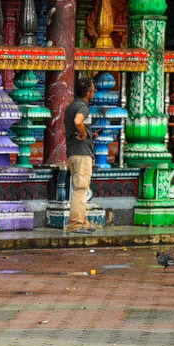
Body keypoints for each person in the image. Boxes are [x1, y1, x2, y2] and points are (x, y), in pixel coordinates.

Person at [65, 75, 95, 235]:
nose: (94, 93)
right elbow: (78, 122)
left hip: (73, 152)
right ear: (88, 93)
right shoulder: (83, 107)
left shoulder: (71, 106)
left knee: (80, 187)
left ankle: (83, 222)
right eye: (93, 90)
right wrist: (83, 134)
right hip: (82, 153)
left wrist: (89, 134)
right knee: (81, 189)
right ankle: (75, 224)